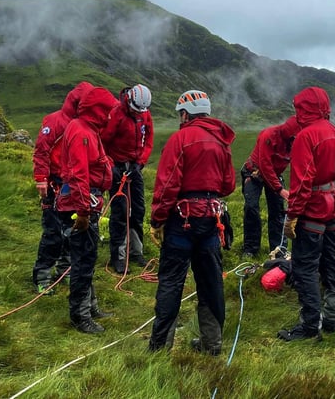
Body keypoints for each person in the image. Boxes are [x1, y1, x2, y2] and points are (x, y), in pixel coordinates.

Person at [148, 90, 236, 355]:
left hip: (181, 221)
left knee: (172, 281)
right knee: (211, 282)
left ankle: (160, 347)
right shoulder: (221, 142)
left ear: (185, 114)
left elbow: (167, 185)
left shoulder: (180, 139)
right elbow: (229, 184)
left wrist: (157, 220)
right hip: (211, 220)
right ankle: (212, 344)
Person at [278, 86, 335, 341]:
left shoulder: (305, 136)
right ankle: (334, 317)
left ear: (303, 109)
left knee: (305, 267)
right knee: (333, 261)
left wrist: (292, 215)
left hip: (313, 212)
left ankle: (311, 325)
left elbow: (302, 182)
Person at [56, 86, 117, 334]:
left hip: (86, 201)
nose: (111, 116)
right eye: (108, 111)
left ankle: (90, 307)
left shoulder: (87, 129)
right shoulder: (82, 132)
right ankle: (80, 317)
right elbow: (79, 174)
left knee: (88, 257)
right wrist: (82, 212)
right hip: (80, 204)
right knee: (83, 260)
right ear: (98, 110)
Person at [31, 81, 93, 294]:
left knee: (71, 230)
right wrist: (41, 178)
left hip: (72, 185)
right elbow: (41, 151)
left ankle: (64, 271)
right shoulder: (55, 121)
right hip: (54, 184)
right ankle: (42, 276)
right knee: (53, 233)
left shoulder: (85, 125)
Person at [100, 84, 154, 274]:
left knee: (138, 210)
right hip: (117, 167)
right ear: (128, 100)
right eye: (134, 109)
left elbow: (148, 140)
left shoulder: (144, 114)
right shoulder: (116, 114)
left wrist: (140, 163)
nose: (137, 113)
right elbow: (103, 141)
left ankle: (136, 251)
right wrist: (111, 166)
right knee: (120, 212)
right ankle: (119, 256)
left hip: (135, 166)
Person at [241, 115, 301, 257]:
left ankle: (279, 248)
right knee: (251, 208)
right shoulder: (269, 135)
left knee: (278, 211)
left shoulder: (298, 141)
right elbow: (265, 165)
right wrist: (280, 189)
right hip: (254, 172)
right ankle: (250, 249)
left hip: (275, 174)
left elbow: (299, 165)